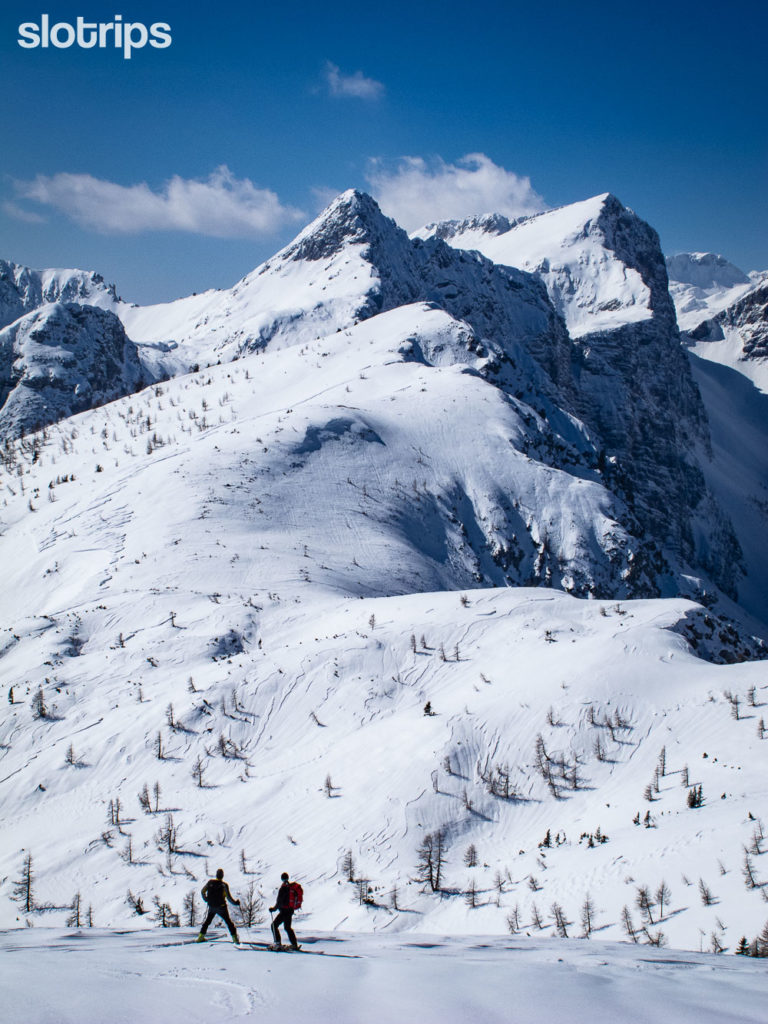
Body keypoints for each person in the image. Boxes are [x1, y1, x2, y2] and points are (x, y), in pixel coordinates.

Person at [197, 868, 241, 943]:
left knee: (207, 922)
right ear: (222, 876)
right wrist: (236, 903)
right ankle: (235, 939)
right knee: (229, 922)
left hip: (211, 906)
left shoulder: (210, 882)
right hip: (221, 907)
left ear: (216, 875)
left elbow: (202, 891)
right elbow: (229, 898)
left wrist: (206, 899)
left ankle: (200, 937)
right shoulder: (224, 885)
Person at [270, 872, 299, 949]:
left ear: (282, 879)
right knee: (287, 927)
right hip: (290, 911)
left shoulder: (283, 888)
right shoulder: (291, 887)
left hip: (284, 911)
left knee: (274, 925)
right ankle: (294, 944)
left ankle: (277, 943)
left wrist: (273, 909)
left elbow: (279, 901)